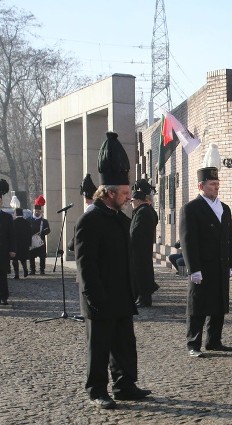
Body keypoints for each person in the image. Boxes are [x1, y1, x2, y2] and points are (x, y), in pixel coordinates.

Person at [75, 131, 151, 409]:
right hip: (100, 295)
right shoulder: (90, 220)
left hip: (121, 294)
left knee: (124, 344)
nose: (129, 198)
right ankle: (97, 389)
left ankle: (125, 384)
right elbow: (86, 264)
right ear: (109, 192)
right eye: (125, 193)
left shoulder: (119, 217)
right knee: (99, 347)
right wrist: (94, 295)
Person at [179, 144, 232, 358]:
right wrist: (193, 267)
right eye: (212, 184)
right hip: (202, 265)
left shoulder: (225, 208)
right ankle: (193, 343)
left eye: (218, 183)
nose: (216, 187)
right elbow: (188, 240)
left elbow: (229, 238)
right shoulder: (191, 209)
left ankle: (214, 340)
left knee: (219, 304)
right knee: (198, 306)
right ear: (201, 186)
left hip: (220, 264)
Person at [129, 179, 159, 307]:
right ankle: (140, 297)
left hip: (140, 249)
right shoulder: (145, 210)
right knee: (141, 273)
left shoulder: (143, 212)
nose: (131, 203)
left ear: (138, 200)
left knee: (141, 274)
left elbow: (136, 233)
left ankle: (144, 298)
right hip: (142, 249)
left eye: (132, 201)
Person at [28, 195, 51, 275]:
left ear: (41, 212)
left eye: (38, 211)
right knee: (31, 257)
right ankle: (32, 270)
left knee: (42, 257)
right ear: (33, 211)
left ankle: (42, 270)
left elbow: (48, 230)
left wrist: (43, 232)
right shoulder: (29, 220)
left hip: (41, 241)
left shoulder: (44, 221)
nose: (37, 212)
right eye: (35, 211)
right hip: (31, 241)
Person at [11, 208, 31, 278]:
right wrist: (29, 244)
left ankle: (17, 274)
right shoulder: (27, 222)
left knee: (15, 259)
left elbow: (10, 234)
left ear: (15, 214)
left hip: (15, 244)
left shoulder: (13, 222)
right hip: (24, 244)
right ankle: (25, 270)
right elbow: (29, 234)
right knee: (23, 259)